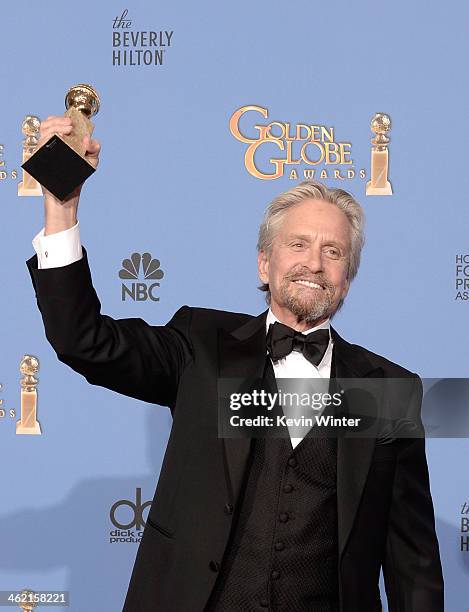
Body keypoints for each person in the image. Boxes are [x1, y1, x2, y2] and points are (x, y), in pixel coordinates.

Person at [27, 116, 444, 612]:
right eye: (298, 244)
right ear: (264, 264)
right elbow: (84, 339)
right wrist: (62, 204)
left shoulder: (390, 390)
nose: (314, 262)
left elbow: (412, 564)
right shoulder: (202, 344)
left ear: (347, 278)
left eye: (333, 252)